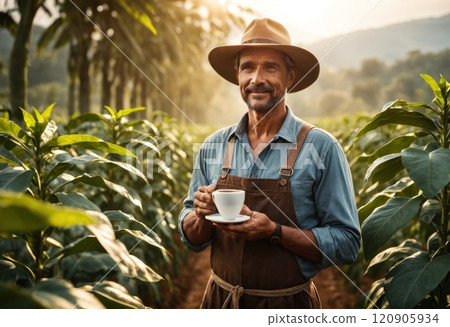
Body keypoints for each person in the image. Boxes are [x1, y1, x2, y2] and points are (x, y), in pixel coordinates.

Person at [178, 18, 361, 309]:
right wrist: (200, 214)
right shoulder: (214, 145)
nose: (256, 78)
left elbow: (347, 243)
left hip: (288, 305)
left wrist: (274, 232)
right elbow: (192, 238)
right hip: (219, 302)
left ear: (291, 76)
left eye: (270, 67)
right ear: (237, 75)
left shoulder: (322, 147)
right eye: (248, 67)